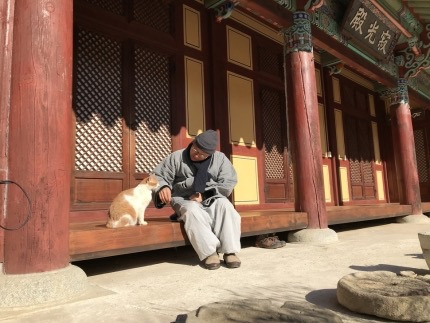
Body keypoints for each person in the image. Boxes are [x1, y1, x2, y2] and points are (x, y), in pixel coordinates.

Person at [152, 129, 241, 270]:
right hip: (182, 197)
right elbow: (159, 176)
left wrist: (204, 195)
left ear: (210, 154)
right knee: (192, 209)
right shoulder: (176, 157)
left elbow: (228, 182)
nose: (196, 154)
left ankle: (230, 251)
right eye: (195, 149)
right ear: (193, 143)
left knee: (225, 205)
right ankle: (210, 252)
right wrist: (163, 187)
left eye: (202, 154)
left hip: (210, 195)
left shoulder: (220, 159)